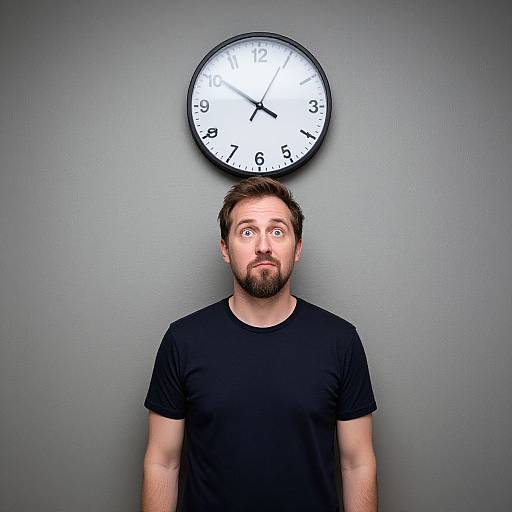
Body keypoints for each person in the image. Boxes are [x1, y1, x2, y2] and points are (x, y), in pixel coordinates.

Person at [141, 177, 378, 512]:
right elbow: (162, 462)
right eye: (247, 231)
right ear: (225, 249)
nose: (263, 246)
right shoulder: (183, 341)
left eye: (277, 231)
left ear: (297, 248)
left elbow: (357, 464)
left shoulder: (341, 341)